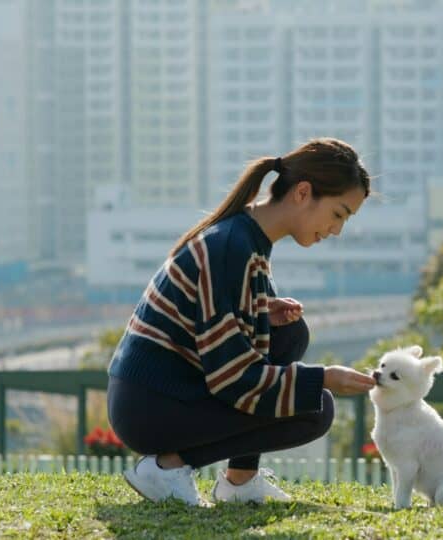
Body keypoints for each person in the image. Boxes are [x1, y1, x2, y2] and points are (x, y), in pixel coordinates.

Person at [107, 138, 377, 506]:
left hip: (164, 391)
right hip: (149, 404)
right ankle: (166, 468)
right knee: (316, 407)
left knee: (289, 333)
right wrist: (323, 377)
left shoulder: (247, 239)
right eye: (338, 214)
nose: (336, 230)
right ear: (303, 192)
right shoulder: (231, 246)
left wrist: (259, 309)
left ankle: (239, 482)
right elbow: (234, 378)